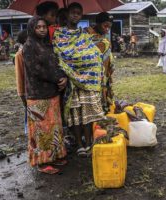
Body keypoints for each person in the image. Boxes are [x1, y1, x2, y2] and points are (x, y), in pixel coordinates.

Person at [53, 3, 105, 156]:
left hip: (87, 80)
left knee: (87, 113)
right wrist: (73, 66)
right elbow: (59, 54)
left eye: (78, 13)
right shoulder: (59, 34)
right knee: (75, 113)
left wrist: (85, 65)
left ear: (81, 16)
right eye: (73, 12)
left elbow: (94, 54)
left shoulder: (84, 34)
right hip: (71, 81)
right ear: (67, 14)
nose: (75, 15)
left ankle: (89, 142)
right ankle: (80, 145)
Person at [23, 16, 67, 174]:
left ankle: (54, 155)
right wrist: (57, 78)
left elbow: (56, 64)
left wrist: (63, 76)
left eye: (43, 27)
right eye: (38, 27)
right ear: (32, 29)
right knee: (40, 130)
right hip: (37, 94)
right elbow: (36, 70)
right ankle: (41, 162)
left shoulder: (47, 45)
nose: (42, 29)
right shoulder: (28, 46)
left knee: (53, 127)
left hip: (52, 92)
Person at [86, 12, 114, 112]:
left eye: (109, 27)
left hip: (103, 76)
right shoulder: (85, 36)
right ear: (97, 23)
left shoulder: (104, 39)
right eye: (105, 26)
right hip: (90, 78)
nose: (107, 29)